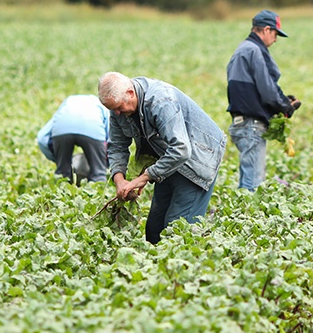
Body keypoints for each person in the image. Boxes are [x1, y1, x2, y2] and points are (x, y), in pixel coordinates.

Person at [98, 71, 228, 244]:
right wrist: (119, 180)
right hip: (167, 161)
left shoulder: (160, 101)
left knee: (177, 231)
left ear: (130, 93)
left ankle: (184, 267)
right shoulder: (118, 108)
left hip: (197, 160)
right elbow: (117, 145)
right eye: (112, 109)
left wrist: (143, 178)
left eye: (119, 107)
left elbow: (181, 149)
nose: (117, 113)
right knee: (154, 230)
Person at [226, 9, 301, 191]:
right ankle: (246, 218)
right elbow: (267, 89)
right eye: (275, 34)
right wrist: (285, 107)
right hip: (252, 125)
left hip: (240, 123)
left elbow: (252, 89)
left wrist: (282, 100)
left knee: (246, 183)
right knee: (253, 185)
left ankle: (241, 215)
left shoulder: (241, 49)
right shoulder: (254, 50)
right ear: (266, 30)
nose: (275, 39)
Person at [36, 94, 110, 183]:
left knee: (62, 175)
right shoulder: (101, 104)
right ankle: (98, 189)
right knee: (98, 173)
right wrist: (105, 162)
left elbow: (42, 138)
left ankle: (61, 191)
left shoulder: (66, 103)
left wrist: (59, 159)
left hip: (62, 127)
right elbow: (111, 138)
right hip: (93, 127)